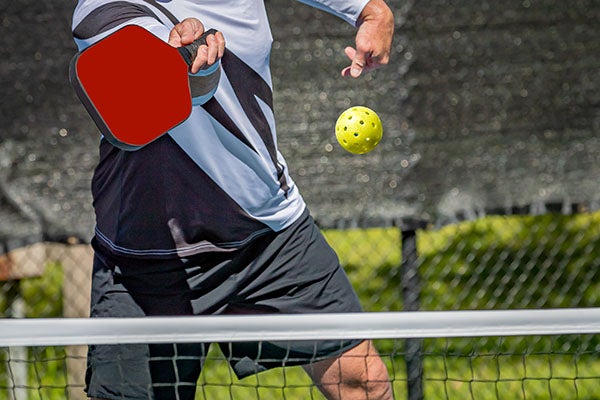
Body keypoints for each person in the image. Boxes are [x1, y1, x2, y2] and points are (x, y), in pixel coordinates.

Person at [71, 0, 395, 399]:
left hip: (269, 237)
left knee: (365, 383)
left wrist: (371, 12)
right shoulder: (102, 13)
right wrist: (193, 59)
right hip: (147, 260)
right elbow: (149, 84)